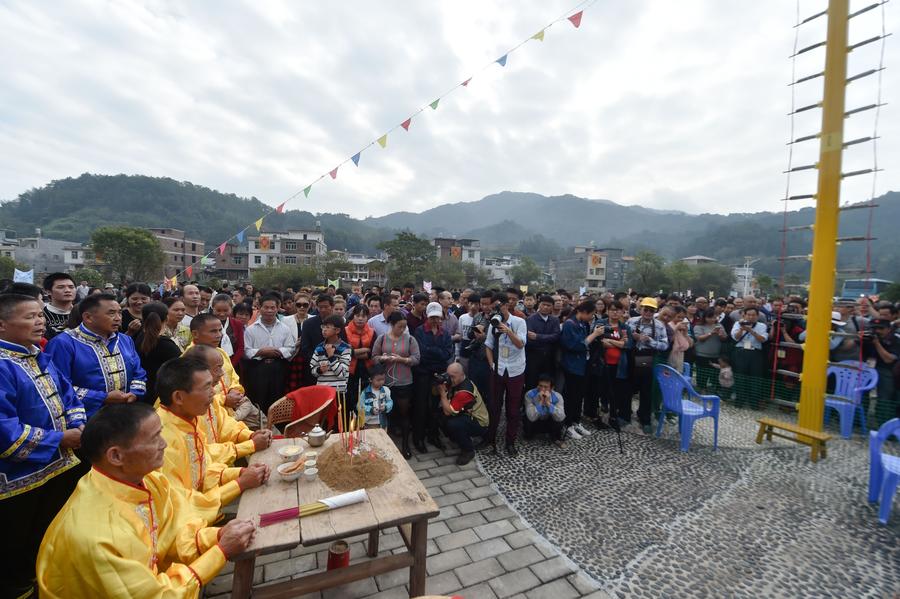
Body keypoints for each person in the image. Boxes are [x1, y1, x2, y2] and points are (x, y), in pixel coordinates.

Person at [36, 403, 257, 598]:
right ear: (116, 456)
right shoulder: (98, 537)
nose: (164, 444)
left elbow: (175, 531)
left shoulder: (146, 479)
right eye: (154, 439)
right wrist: (221, 551)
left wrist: (218, 535)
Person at [0, 294, 86, 598]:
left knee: (49, 531)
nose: (39, 321)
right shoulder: (2, 365)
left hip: (58, 464)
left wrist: (78, 425)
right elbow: (3, 428)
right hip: (18, 478)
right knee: (16, 542)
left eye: (40, 315)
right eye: (29, 317)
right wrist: (59, 439)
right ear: (2, 325)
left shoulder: (36, 354)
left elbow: (68, 395)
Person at [156, 358, 269, 523]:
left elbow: (205, 469)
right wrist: (239, 483)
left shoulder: (188, 420)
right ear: (179, 397)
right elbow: (183, 505)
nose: (214, 393)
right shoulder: (162, 442)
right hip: (189, 529)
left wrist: (240, 473)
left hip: (205, 516)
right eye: (206, 387)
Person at [45, 293, 147, 419]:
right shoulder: (63, 343)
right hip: (86, 419)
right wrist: (103, 397)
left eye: (119, 313)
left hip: (126, 414)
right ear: (88, 317)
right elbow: (57, 386)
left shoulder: (125, 340)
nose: (118, 318)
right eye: (111, 313)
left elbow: (139, 372)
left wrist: (134, 393)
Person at [184, 344, 271, 465]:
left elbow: (226, 427)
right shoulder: (179, 417)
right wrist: (250, 445)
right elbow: (204, 456)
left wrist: (251, 435)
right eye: (218, 368)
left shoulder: (209, 398)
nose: (222, 373)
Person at [188, 314, 261, 430]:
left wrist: (234, 391)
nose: (219, 335)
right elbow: (193, 398)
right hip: (214, 415)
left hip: (236, 405)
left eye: (220, 330)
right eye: (213, 331)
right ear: (195, 334)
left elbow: (233, 377)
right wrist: (224, 399)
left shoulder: (221, 352)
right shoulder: (189, 360)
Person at [484, 292, 528, 456]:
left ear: (506, 305)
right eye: (493, 306)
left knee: (513, 409)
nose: (497, 309)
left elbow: (520, 344)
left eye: (499, 305)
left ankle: (510, 441)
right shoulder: (492, 324)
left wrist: (508, 330)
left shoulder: (519, 322)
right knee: (494, 406)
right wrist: (491, 364)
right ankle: (491, 440)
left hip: (516, 369)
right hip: (498, 369)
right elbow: (488, 345)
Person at [371, 311, 420, 458]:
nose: (402, 330)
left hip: (404, 382)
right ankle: (385, 445)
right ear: (392, 325)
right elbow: (373, 357)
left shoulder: (410, 339)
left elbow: (417, 358)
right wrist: (383, 358)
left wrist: (402, 360)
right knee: (385, 413)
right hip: (385, 383)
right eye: (400, 326)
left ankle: (405, 445)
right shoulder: (382, 338)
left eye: (404, 327)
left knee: (404, 413)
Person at [243, 293, 296, 413]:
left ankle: (277, 426)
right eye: (266, 307)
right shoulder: (250, 329)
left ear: (278, 308)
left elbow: (291, 348)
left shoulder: (284, 328)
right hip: (258, 368)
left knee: (277, 398)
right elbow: (246, 351)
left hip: (278, 367)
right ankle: (260, 425)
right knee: (258, 398)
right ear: (259, 308)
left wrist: (277, 351)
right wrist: (261, 352)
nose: (269, 310)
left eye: (273, 308)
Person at [412, 303, 454, 453]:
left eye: (438, 317)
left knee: (436, 407)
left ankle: (433, 435)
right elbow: (421, 353)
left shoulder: (445, 333)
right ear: (428, 317)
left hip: (438, 375)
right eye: (433, 317)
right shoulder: (419, 331)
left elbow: (448, 353)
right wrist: (437, 353)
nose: (435, 320)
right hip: (423, 373)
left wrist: (432, 351)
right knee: (421, 406)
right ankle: (418, 438)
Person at [559, 300, 603, 440]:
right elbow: (576, 345)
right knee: (571, 396)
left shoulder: (582, 323)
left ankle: (576, 421)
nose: (592, 317)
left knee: (579, 396)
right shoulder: (569, 324)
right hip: (572, 366)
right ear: (583, 312)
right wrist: (594, 335)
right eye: (591, 314)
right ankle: (567, 424)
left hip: (583, 365)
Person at [627, 297, 669, 434]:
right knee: (627, 388)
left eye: (651, 310)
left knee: (646, 391)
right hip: (632, 357)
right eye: (646, 309)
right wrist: (631, 337)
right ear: (641, 309)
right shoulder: (632, 321)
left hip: (648, 358)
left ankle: (645, 418)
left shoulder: (659, 325)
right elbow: (623, 337)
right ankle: (625, 414)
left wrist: (649, 340)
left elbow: (664, 345)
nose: (648, 312)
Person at [437, 362, 489, 465]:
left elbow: (448, 412)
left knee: (453, 424)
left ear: (462, 374)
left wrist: (442, 394)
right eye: (448, 375)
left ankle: (468, 450)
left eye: (452, 376)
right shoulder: (458, 381)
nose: (449, 379)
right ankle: (458, 437)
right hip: (466, 414)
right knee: (439, 416)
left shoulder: (464, 391)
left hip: (479, 422)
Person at [134, 302, 182, 405]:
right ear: (167, 318)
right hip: (160, 397)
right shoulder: (167, 345)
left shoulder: (138, 336)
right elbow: (181, 368)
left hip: (140, 392)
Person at [599, 300, 632, 427]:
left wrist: (610, 341)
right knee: (602, 389)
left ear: (622, 312)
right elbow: (599, 341)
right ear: (607, 311)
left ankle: (614, 416)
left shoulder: (625, 328)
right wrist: (619, 342)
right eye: (612, 309)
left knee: (615, 391)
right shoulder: (600, 323)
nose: (615, 312)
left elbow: (627, 345)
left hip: (618, 365)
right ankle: (600, 414)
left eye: (618, 310)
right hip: (602, 363)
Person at [730, 306, 768, 408]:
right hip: (741, 351)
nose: (751, 317)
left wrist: (751, 331)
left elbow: (763, 339)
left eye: (753, 315)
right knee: (740, 377)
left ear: (757, 316)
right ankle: (739, 401)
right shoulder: (738, 324)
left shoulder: (762, 326)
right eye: (749, 315)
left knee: (756, 378)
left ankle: (754, 403)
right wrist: (742, 329)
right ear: (744, 315)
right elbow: (735, 337)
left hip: (755, 353)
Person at [865, 318, 899, 426]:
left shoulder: (895, 340)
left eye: (881, 328)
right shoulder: (868, 337)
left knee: (885, 398)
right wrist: (858, 339)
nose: (877, 331)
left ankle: (885, 425)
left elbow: (888, 359)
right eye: (874, 328)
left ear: (889, 329)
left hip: (887, 369)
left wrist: (877, 344)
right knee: (861, 394)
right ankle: (858, 421)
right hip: (867, 367)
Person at [525, 295, 561, 394]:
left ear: (552, 307)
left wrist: (538, 337)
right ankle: (528, 406)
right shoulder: (530, 319)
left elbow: (556, 337)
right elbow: (529, 339)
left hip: (549, 358)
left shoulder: (554, 320)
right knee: (531, 383)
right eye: (543, 304)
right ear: (539, 305)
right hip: (533, 357)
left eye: (548, 305)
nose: (545, 307)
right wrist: (547, 338)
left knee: (547, 383)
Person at [523, 373, 567, 449]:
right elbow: (531, 417)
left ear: (552, 388)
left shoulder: (558, 397)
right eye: (540, 386)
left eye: (546, 387)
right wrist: (540, 402)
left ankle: (555, 437)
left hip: (549, 421)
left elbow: (561, 417)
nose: (542, 389)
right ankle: (530, 435)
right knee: (527, 419)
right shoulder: (529, 394)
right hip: (536, 421)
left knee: (560, 420)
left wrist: (548, 403)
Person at [310, 315, 352, 393]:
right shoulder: (319, 348)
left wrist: (331, 357)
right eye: (323, 327)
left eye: (328, 327)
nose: (324, 330)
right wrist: (319, 370)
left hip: (338, 392)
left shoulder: (345, 348)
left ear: (337, 330)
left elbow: (341, 373)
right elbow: (312, 369)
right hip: (321, 391)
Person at [344, 304, 375, 401]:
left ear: (367, 317)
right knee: (350, 399)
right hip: (349, 371)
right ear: (353, 316)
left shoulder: (372, 332)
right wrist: (365, 349)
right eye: (358, 315)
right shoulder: (344, 331)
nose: (360, 319)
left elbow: (373, 352)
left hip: (367, 371)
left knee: (366, 399)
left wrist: (354, 353)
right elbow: (345, 352)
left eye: (363, 316)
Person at [693, 309, 727, 393]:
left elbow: (724, 338)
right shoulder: (698, 326)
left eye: (714, 317)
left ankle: (715, 389)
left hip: (716, 354)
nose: (712, 319)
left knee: (715, 373)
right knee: (702, 373)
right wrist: (711, 333)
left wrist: (721, 335)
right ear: (705, 318)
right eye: (710, 317)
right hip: (702, 354)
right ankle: (702, 388)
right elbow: (699, 338)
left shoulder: (719, 325)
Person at [210, 293, 245, 371]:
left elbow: (240, 347)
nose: (222, 314)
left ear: (231, 309)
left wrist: (230, 364)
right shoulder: (207, 324)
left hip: (233, 364)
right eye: (218, 310)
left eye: (226, 310)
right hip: (212, 364)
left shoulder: (237, 324)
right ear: (213, 308)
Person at [300, 294, 334, 364]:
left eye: (326, 307)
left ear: (332, 306)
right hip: (313, 364)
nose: (323, 310)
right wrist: (319, 361)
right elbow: (305, 348)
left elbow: (343, 345)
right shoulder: (308, 324)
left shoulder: (338, 323)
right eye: (320, 307)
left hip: (335, 364)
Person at [41, 273, 76, 340]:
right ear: (48, 292)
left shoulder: (84, 313)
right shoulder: (41, 315)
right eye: (61, 287)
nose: (68, 290)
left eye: (71, 287)